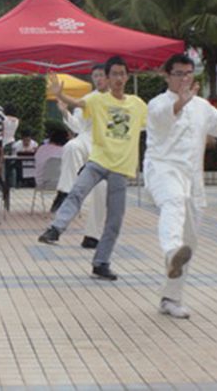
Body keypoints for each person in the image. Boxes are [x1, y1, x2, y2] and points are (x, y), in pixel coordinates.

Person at [145, 54, 217, 319]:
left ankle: (171, 297)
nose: (184, 78)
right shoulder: (157, 103)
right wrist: (180, 103)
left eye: (189, 73)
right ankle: (170, 252)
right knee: (174, 202)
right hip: (163, 170)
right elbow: (162, 119)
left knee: (190, 241)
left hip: (193, 178)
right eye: (179, 73)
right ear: (167, 75)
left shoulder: (201, 105)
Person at [38, 56, 148, 281]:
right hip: (98, 161)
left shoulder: (137, 104)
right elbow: (77, 104)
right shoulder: (97, 100)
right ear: (108, 77)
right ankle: (56, 228)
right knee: (77, 191)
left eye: (122, 74)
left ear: (127, 77)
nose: (118, 78)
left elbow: (158, 121)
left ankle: (101, 263)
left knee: (114, 220)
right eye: (114, 74)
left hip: (120, 169)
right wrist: (60, 95)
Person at [52, 64, 109, 249]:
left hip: (106, 146)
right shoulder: (86, 100)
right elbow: (77, 126)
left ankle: (92, 236)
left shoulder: (119, 100)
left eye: (101, 75)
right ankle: (65, 191)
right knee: (71, 146)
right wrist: (64, 111)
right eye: (95, 75)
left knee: (101, 190)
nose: (98, 79)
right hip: (87, 138)